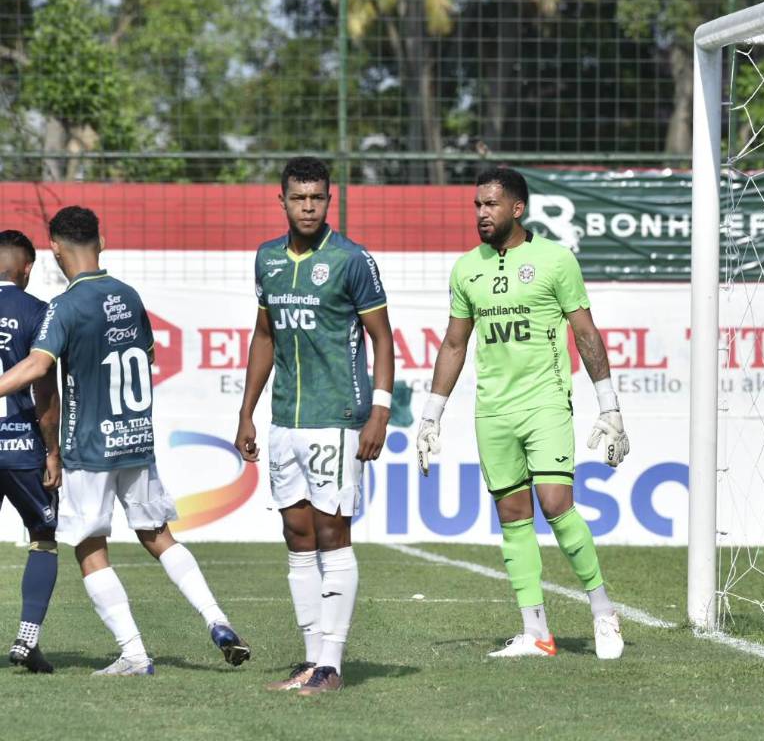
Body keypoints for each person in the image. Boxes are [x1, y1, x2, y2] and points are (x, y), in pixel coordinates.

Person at [0, 206, 249, 676]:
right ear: (103, 241)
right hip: (134, 438)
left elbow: (37, 367)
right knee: (159, 536)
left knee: (90, 547)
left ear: (53, 248)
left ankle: (134, 652)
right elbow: (148, 355)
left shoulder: (66, 305)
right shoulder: (129, 296)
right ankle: (218, 620)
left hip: (91, 447)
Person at [416, 166, 630, 660]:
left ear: (517, 208)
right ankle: (537, 632)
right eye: (477, 205)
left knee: (556, 503)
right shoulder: (466, 268)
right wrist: (431, 414)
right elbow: (453, 342)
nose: (481, 214)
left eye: (490, 205)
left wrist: (610, 407)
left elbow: (587, 334)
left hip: (545, 403)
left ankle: (602, 611)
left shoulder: (555, 260)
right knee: (513, 517)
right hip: (493, 411)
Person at [235, 156, 393, 695]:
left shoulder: (352, 260)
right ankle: (309, 661)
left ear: (330, 200)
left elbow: (383, 338)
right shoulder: (267, 259)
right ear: (282, 200)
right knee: (296, 536)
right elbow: (264, 336)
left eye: (318, 197)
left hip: (338, 420)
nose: (309, 206)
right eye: (299, 197)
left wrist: (381, 409)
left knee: (332, 534)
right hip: (285, 422)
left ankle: (332, 663)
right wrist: (246, 411)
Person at [0, 230, 60, 673]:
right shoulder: (38, 311)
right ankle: (27, 639)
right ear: (27, 268)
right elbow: (44, 388)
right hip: (21, 445)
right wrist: (53, 451)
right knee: (43, 538)